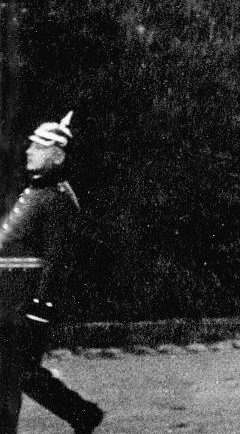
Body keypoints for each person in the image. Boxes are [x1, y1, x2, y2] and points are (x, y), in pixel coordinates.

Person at [0, 113, 104, 434]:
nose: (29, 150)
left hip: (24, 304)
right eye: (31, 144)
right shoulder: (38, 191)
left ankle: (82, 413)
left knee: (12, 374)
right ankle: (82, 413)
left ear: (56, 156)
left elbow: (58, 261)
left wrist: (40, 308)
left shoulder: (56, 199)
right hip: (10, 299)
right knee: (20, 372)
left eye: (38, 146)